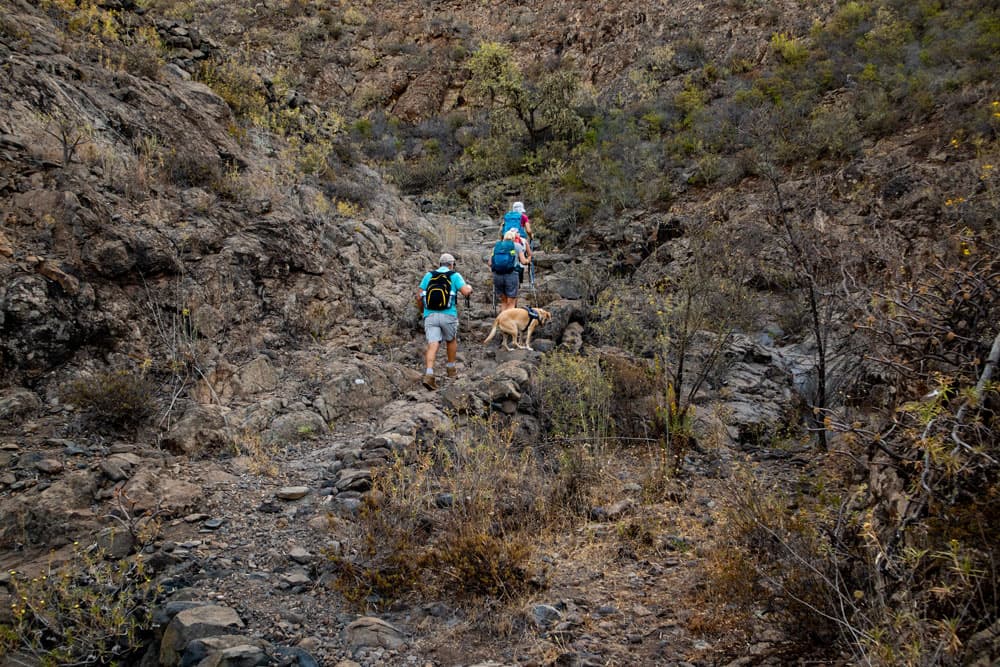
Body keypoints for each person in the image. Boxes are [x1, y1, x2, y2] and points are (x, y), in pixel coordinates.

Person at [417, 253, 473, 390]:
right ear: (452, 264)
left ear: (439, 263)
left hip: (430, 314)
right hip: (448, 314)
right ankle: (451, 369)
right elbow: (465, 292)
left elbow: (419, 296)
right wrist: (470, 288)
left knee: (433, 344)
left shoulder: (429, 275)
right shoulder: (455, 275)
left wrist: (423, 311)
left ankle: (429, 373)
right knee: (451, 340)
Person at [489, 230, 529, 313]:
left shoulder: (496, 247)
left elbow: (490, 263)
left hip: (498, 276)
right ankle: (508, 322)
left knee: (503, 301)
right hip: (511, 275)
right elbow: (523, 261)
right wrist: (529, 259)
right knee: (511, 302)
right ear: (514, 238)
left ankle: (502, 322)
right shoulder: (517, 246)